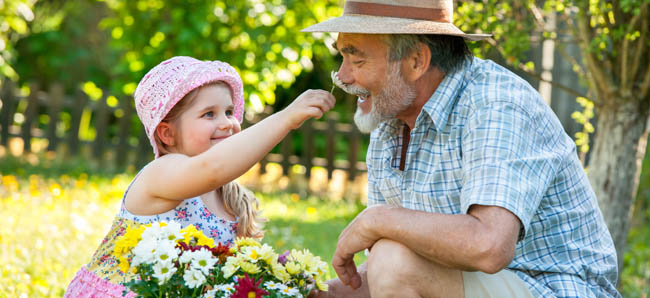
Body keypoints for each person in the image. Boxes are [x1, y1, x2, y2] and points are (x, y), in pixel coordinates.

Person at [303, 0, 620, 297]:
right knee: (390, 257)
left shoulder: (496, 104)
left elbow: (488, 245)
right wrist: (307, 291)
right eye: (342, 58)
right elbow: (395, 276)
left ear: (417, 61)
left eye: (357, 59)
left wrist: (377, 220)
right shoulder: (391, 119)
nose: (342, 77)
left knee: (392, 257)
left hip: (553, 289)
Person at [64, 56, 335, 297]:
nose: (227, 122)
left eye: (229, 112)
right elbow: (212, 168)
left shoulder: (229, 199)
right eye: (209, 114)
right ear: (167, 134)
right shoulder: (160, 174)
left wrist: (286, 284)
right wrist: (286, 118)